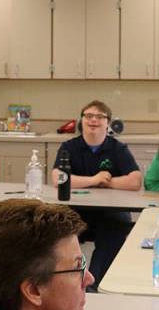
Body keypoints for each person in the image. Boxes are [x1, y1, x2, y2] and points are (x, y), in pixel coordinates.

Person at [49, 100, 142, 288]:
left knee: (117, 226)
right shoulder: (69, 147)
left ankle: (93, 283)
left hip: (109, 213)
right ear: (81, 121)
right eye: (89, 116)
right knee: (54, 226)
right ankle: (63, 283)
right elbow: (57, 177)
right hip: (76, 211)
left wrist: (107, 182)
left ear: (108, 123)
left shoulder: (117, 149)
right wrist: (94, 180)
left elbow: (135, 180)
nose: (93, 120)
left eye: (99, 117)